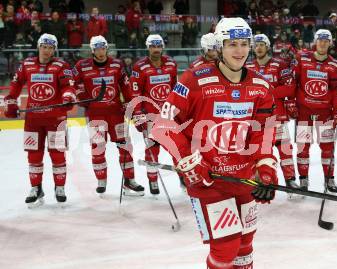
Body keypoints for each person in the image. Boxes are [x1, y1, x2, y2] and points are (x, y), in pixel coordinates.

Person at [150, 17, 277, 269]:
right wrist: (189, 161)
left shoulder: (261, 86)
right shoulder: (194, 80)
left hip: (244, 178)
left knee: (245, 245)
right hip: (208, 181)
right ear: (219, 46)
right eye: (232, 44)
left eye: (244, 44)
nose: (239, 51)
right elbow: (163, 125)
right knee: (226, 247)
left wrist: (266, 168)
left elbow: (263, 131)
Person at [4, 33, 76, 206]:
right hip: (33, 120)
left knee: (58, 155)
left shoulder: (61, 65)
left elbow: (68, 86)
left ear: (54, 49)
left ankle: (60, 187)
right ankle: (36, 188)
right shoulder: (27, 64)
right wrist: (11, 102)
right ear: (39, 47)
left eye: (50, 47)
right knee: (34, 155)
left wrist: (68, 98)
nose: (47, 50)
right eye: (44, 46)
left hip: (56, 119)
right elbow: (15, 85)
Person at [72, 35, 144, 195]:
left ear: (106, 48)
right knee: (98, 149)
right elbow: (70, 82)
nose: (101, 51)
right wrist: (80, 96)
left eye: (103, 47)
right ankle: (101, 180)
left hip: (116, 114)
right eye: (97, 48)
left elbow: (126, 86)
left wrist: (130, 104)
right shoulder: (82, 66)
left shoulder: (117, 64)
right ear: (92, 50)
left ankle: (129, 181)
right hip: (95, 116)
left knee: (124, 147)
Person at [291, 29, 337, 192]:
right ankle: (304, 180)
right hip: (304, 111)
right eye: (320, 40)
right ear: (315, 41)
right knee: (303, 147)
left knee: (327, 147)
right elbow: (294, 82)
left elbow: (336, 90)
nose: (322, 43)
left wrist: (336, 111)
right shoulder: (303, 59)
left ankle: (329, 179)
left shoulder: (335, 65)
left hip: (325, 112)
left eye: (326, 41)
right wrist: (291, 102)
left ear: (330, 43)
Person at [127, 34, 177, 195]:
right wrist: (138, 114)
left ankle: (184, 178)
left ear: (162, 46)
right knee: (152, 151)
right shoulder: (139, 67)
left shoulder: (171, 64)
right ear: (148, 47)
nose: (156, 49)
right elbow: (135, 93)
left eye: (158, 46)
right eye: (153, 46)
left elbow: (176, 89)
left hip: (169, 116)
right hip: (150, 117)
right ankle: (153, 181)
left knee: (177, 149)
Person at [245, 33, 297, 188]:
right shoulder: (247, 67)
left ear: (267, 47)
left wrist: (266, 92)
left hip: (278, 115)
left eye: (262, 44)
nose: (258, 47)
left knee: (285, 148)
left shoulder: (280, 64)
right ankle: (259, 178)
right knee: (258, 150)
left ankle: (290, 179)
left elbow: (290, 88)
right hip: (257, 119)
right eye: (256, 45)